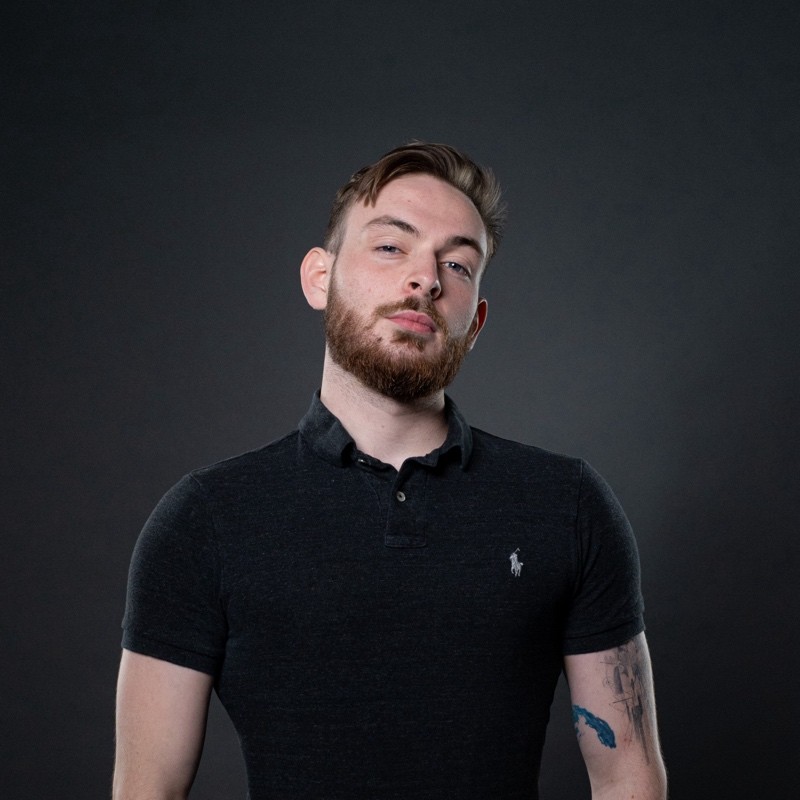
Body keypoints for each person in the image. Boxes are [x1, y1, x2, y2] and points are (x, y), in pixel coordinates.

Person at [114, 142, 667, 799]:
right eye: (389, 246)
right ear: (319, 278)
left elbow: (628, 776)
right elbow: (146, 788)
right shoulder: (206, 518)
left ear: (475, 322)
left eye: (457, 264)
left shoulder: (566, 505)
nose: (425, 278)